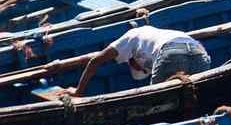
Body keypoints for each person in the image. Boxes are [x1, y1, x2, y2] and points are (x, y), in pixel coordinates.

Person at [69, 25, 211, 96]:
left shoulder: (131, 36)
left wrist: (78, 91)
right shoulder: (154, 36)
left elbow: (95, 61)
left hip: (171, 50)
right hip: (199, 52)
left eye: (141, 69)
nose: (142, 69)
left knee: (156, 98)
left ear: (132, 61)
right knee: (199, 94)